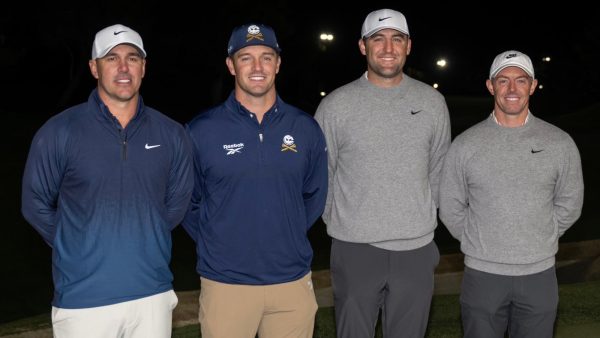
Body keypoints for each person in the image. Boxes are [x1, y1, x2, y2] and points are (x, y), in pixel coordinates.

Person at [21, 24, 194, 338]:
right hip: (83, 301)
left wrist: (144, 232)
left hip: (151, 294)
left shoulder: (171, 133)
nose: (124, 67)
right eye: (111, 58)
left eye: (132, 58)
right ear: (94, 67)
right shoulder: (60, 131)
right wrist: (75, 242)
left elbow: (177, 202)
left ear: (144, 66)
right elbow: (34, 204)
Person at [182, 23, 328, 338]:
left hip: (291, 282)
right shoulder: (201, 131)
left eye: (266, 56)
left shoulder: (305, 128)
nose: (257, 67)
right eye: (246, 58)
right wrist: (219, 239)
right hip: (226, 284)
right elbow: (188, 202)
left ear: (278, 63)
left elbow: (314, 195)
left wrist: (283, 233)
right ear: (231, 65)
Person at [314, 8, 451, 338]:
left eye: (397, 39)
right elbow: (320, 175)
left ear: (408, 46)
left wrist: (417, 217)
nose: (388, 48)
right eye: (378, 39)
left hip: (416, 249)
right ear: (363, 47)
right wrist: (343, 220)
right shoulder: (336, 105)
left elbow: (439, 169)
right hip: (355, 249)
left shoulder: (432, 102)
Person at [438, 50, 584, 337]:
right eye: (503, 81)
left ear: (532, 85)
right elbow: (450, 205)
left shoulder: (559, 142)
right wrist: (478, 241)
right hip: (483, 275)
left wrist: (542, 235)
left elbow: (570, 202)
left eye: (521, 80)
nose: (512, 89)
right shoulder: (466, 144)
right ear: (491, 86)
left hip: (539, 274)